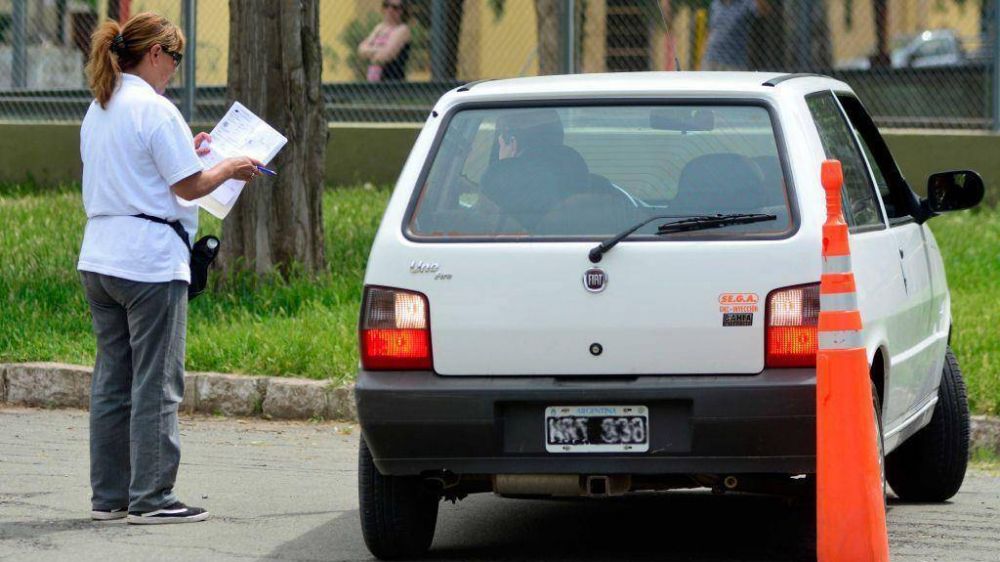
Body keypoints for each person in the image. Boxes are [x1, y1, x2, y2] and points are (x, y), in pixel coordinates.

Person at [79, 12, 261, 525]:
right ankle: (153, 498)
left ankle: (110, 497)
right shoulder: (155, 110)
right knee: (157, 383)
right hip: (148, 263)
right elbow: (190, 188)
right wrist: (229, 165)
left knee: (113, 382)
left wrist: (194, 150)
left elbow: (149, 169)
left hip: (99, 258)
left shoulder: (102, 107)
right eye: (174, 59)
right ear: (155, 53)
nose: (174, 70)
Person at [478, 109, 589, 230]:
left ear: (512, 141)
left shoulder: (497, 180)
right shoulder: (593, 185)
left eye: (499, 141)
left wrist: (504, 166)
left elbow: (483, 220)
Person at [701, 0, 769, 71]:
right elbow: (710, 31)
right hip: (711, 58)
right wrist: (702, 56)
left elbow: (764, 11)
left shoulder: (746, 3)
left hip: (734, 62)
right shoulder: (715, 4)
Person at [357, 0, 412, 82]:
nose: (390, 10)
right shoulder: (379, 28)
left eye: (395, 7)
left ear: (402, 11)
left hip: (392, 82)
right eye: (386, 5)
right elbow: (361, 50)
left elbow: (385, 56)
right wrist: (381, 49)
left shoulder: (402, 30)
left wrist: (370, 50)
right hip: (373, 78)